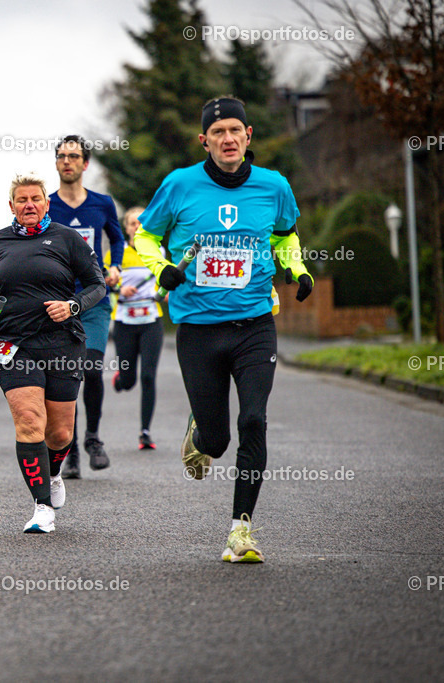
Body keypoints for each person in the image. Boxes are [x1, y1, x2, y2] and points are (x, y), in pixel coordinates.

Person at [134, 96, 314, 563]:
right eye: (218, 132)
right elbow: (145, 236)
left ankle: (240, 531)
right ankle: (201, 433)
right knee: (217, 441)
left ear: (248, 136)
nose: (228, 138)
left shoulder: (273, 186)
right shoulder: (179, 184)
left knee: (253, 419)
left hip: (255, 323)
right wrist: (162, 267)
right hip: (198, 327)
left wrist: (296, 269)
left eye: (235, 130)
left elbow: (285, 235)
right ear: (204, 140)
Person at [0, 173, 105, 533]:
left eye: (35, 199)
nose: (29, 205)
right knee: (29, 420)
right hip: (13, 344)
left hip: (62, 342)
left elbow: (97, 285)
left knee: (59, 434)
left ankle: (53, 472)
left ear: (46, 203)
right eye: (22, 200)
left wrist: (72, 306)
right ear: (11, 205)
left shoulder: (67, 238)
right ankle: (42, 507)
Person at [49, 135, 124, 478]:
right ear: (56, 163)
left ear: (85, 163)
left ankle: (93, 437)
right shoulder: (48, 205)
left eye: (74, 156)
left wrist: (115, 265)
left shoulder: (102, 203)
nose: (67, 161)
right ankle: (71, 451)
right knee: (68, 377)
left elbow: (117, 237)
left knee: (91, 369)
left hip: (94, 301)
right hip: (57, 303)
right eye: (61, 156)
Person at [108, 206, 164, 450]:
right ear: (127, 228)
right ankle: (121, 380)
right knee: (130, 380)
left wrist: (164, 293)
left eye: (142, 223)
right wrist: (119, 289)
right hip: (125, 322)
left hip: (152, 321)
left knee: (148, 376)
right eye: (133, 223)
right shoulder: (115, 254)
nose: (137, 226)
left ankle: (145, 432)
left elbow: (165, 281)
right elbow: (101, 281)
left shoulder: (159, 251)